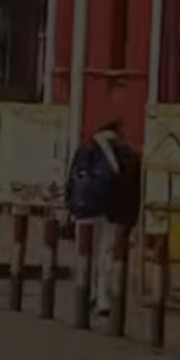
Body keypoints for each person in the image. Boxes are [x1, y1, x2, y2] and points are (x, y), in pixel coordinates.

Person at [64, 120, 141, 316]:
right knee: (106, 252)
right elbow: (132, 188)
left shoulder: (85, 147)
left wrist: (69, 205)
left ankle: (84, 292)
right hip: (110, 210)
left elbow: (72, 177)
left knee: (84, 251)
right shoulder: (126, 152)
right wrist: (130, 219)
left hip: (83, 207)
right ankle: (103, 298)